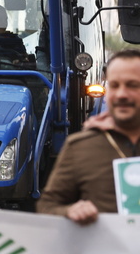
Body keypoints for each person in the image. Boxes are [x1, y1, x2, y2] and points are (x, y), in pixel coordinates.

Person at [37, 49, 140, 224]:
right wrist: (69, 211)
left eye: (133, 85)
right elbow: (47, 207)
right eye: (114, 85)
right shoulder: (80, 147)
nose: (122, 94)